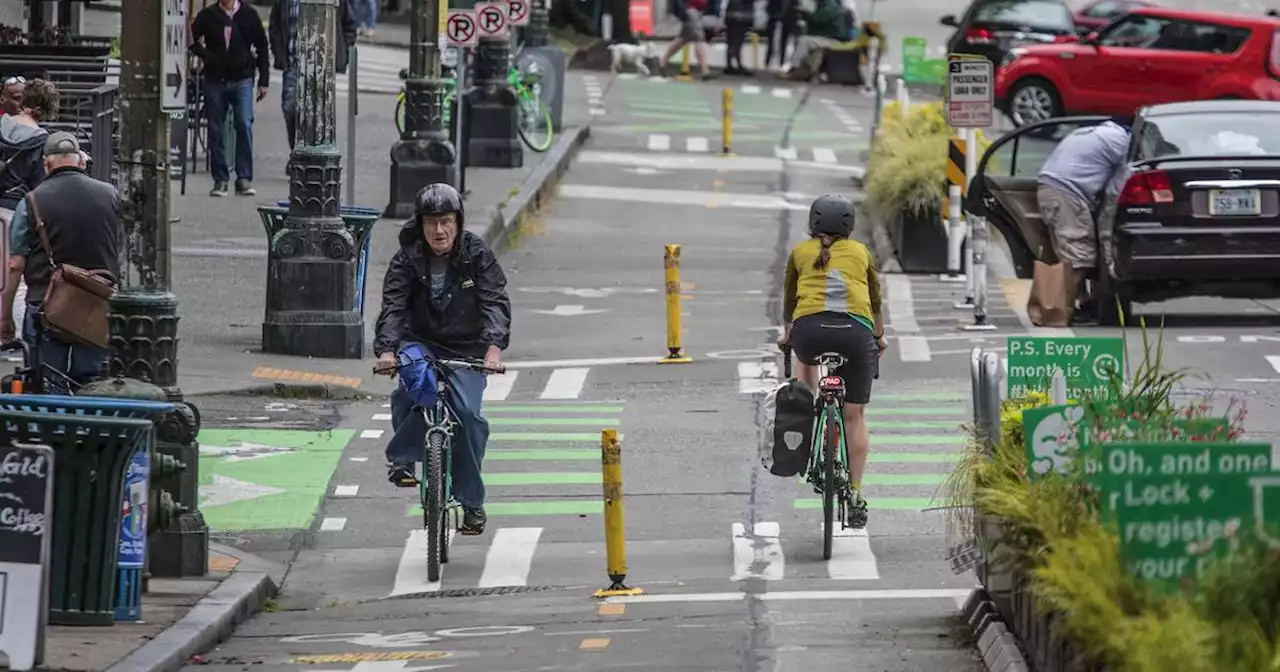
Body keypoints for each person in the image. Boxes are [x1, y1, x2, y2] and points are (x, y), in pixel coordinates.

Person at [372, 183, 512, 536]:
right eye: (432, 222)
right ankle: (402, 460)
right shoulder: (407, 257)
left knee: (467, 416)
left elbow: (495, 301)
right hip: (419, 342)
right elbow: (393, 307)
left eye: (446, 221)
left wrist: (493, 348)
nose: (439, 230)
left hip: (467, 348)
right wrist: (388, 350)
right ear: (420, 225)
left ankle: (471, 503)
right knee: (411, 380)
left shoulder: (476, 253)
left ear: (458, 222)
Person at [776, 194, 885, 530]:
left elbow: (791, 303)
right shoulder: (862, 253)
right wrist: (878, 338)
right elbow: (876, 302)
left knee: (806, 370)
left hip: (809, 334)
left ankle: (809, 412)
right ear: (849, 227)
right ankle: (854, 492)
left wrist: (787, 337)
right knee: (854, 415)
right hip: (856, 334)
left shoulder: (798, 253)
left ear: (812, 223)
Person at [1, 132, 119, 393]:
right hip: (96, 304)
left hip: (47, 305)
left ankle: (53, 431)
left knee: (48, 381)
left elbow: (15, 265)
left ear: (47, 165)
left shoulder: (31, 202)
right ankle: (88, 427)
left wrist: (5, 314)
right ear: (80, 161)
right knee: (91, 382)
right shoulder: (110, 195)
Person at [1036, 116, 1132, 325]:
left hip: (1051, 188)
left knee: (1068, 255)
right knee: (1078, 257)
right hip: (1067, 193)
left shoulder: (1089, 132)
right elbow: (1121, 184)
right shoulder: (1121, 141)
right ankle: (1059, 313)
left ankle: (1083, 303)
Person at [189, 0, 270, 198]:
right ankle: (220, 179)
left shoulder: (248, 14)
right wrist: (208, 56)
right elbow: (190, 39)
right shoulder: (208, 15)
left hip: (242, 78)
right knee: (216, 128)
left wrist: (263, 80)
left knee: (244, 123)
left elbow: (262, 46)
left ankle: (243, 177)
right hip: (215, 79)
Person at [0, 79, 58, 344]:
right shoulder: (41, 140)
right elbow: (40, 189)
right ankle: (14, 336)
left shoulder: (1, 126)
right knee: (18, 277)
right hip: (18, 212)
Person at [268, 0, 358, 149]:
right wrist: (279, 52)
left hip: (322, 67)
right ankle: (298, 149)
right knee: (290, 107)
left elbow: (349, 25)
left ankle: (312, 151)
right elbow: (275, 24)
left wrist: (341, 52)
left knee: (318, 114)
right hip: (293, 63)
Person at [783, 0, 849, 79]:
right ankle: (803, 70)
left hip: (834, 40)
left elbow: (818, 19)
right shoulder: (826, 5)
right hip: (828, 38)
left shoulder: (830, 5)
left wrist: (803, 13)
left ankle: (794, 68)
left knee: (804, 41)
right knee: (806, 41)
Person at [659, 0, 721, 80]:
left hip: (697, 11)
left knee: (683, 38)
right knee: (699, 37)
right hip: (688, 9)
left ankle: (662, 62)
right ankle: (704, 70)